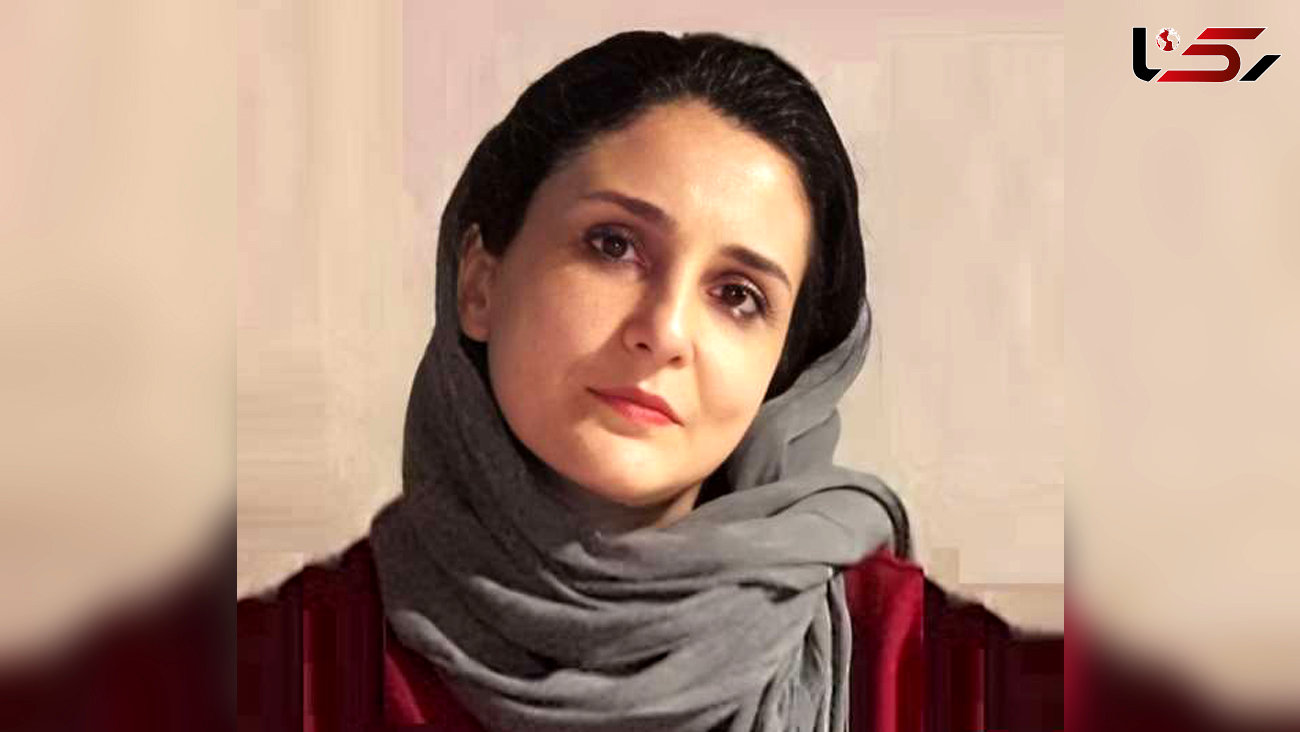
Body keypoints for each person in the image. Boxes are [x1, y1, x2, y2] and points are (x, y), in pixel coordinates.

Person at [237, 30, 1061, 732]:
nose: (664, 331)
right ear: (480, 284)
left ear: (785, 372)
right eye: (613, 246)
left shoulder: (927, 673)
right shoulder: (281, 675)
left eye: (737, 296)